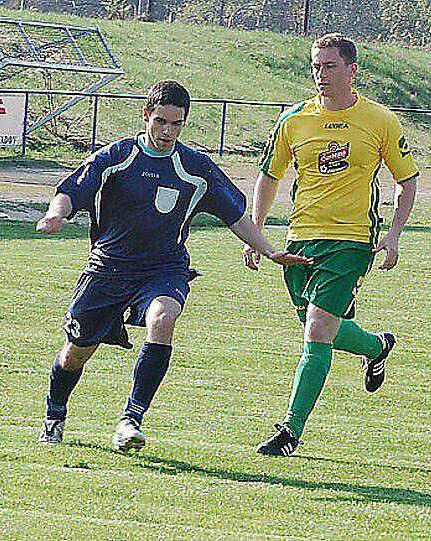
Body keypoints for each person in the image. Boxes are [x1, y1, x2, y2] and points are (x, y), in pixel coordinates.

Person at [35, 80, 310, 452]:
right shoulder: (116, 158)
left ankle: (130, 420)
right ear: (146, 115)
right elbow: (71, 191)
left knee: (163, 319)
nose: (167, 131)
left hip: (163, 269)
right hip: (107, 269)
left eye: (176, 124)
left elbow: (237, 217)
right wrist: (55, 216)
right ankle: (55, 414)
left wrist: (270, 250)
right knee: (75, 353)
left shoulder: (196, 169)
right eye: (161, 121)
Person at [244, 33, 419, 456]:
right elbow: (269, 177)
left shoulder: (379, 120)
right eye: (316, 66)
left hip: (351, 242)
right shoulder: (293, 120)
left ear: (352, 69)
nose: (321, 74)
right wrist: (256, 231)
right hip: (300, 240)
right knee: (323, 329)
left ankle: (290, 431)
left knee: (318, 331)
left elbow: (407, 181)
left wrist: (392, 236)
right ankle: (377, 346)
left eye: (330, 66)